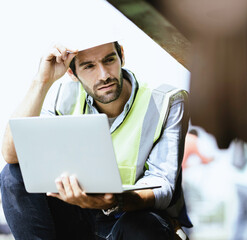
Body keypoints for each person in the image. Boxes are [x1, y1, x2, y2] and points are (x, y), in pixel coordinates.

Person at [0, 41, 192, 239]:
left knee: (143, 226)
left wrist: (114, 201)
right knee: (13, 175)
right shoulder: (63, 98)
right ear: (72, 73)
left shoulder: (167, 100)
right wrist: (42, 82)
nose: (104, 75)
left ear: (121, 56)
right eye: (89, 66)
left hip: (131, 216)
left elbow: (164, 187)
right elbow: (12, 154)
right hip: (77, 218)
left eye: (109, 60)